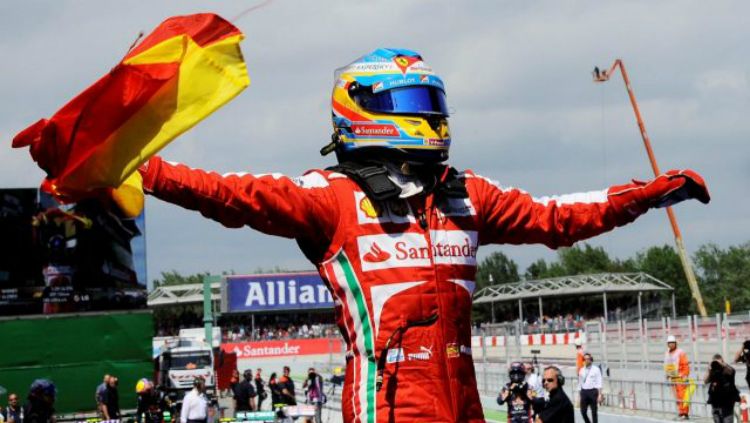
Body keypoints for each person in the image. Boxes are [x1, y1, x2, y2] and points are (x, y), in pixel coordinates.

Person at [136, 48, 710, 422]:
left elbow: (556, 217)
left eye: (434, 103)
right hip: (388, 405)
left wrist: (646, 196)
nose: (432, 116)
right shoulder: (331, 197)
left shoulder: (468, 194)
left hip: (464, 403)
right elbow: (233, 194)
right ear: (361, 112)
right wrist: (143, 170)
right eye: (413, 104)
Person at [704, 354, 740, 423]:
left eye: (718, 362)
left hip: (726, 403)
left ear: (723, 361)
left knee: (727, 421)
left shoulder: (727, 370)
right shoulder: (713, 371)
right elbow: (705, 381)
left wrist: (723, 364)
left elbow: (732, 371)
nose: (717, 365)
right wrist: (709, 369)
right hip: (715, 403)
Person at [664, 335, 691, 420]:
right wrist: (667, 375)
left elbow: (685, 365)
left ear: (675, 343)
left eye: (672, 343)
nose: (671, 344)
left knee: (682, 396)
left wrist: (685, 375)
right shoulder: (667, 353)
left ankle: (685, 413)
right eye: (669, 343)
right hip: (672, 378)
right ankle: (680, 412)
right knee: (677, 397)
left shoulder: (680, 352)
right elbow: (666, 365)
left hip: (680, 377)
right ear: (667, 344)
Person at [578, 353, 603, 423]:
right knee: (583, 411)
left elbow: (599, 382)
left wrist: (600, 394)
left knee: (594, 412)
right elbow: (580, 383)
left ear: (591, 360)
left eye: (588, 359)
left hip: (593, 392)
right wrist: (579, 395)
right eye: (585, 359)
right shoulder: (581, 370)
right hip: (584, 392)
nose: (586, 361)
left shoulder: (596, 369)